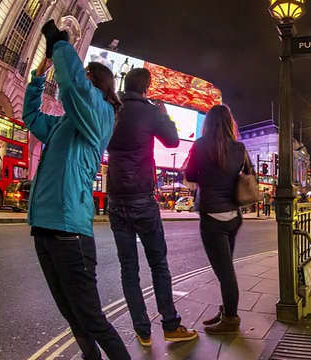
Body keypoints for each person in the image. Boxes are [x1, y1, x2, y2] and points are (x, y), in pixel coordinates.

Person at [23, 21, 130, 360]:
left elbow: (74, 87)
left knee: (93, 319)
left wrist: (60, 44)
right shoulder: (62, 124)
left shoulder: (99, 114)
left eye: (86, 74)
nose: (79, 77)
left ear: (95, 83)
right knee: (73, 316)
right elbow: (30, 116)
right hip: (43, 228)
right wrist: (40, 76)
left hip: (70, 230)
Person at [106, 68, 198, 346]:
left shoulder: (112, 110)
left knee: (128, 267)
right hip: (142, 197)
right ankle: (170, 324)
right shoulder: (148, 111)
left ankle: (142, 330)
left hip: (115, 197)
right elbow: (171, 140)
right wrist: (163, 112)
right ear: (146, 88)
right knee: (158, 264)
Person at [184, 104, 248, 334]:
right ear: (230, 123)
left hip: (212, 217)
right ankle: (226, 310)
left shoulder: (200, 146)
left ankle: (231, 319)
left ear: (207, 123)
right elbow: (247, 173)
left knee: (225, 273)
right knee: (226, 269)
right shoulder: (239, 148)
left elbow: (190, 175)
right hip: (233, 216)